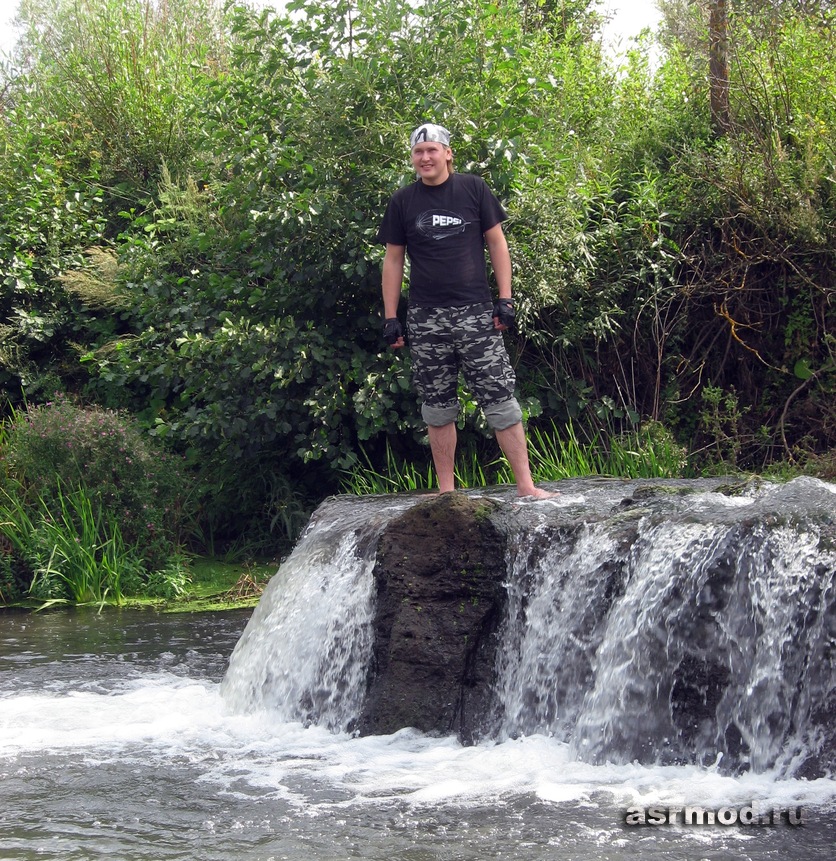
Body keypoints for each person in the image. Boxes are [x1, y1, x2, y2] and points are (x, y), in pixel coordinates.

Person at [377, 122, 556, 499]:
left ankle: (525, 486)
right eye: (418, 151)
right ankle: (447, 492)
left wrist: (505, 299)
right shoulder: (403, 201)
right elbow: (393, 260)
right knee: (437, 406)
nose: (425, 157)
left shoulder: (473, 189)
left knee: (500, 398)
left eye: (431, 150)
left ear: (447, 153)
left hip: (476, 313)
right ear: (412, 158)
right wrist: (391, 317)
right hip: (425, 319)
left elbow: (497, 243)